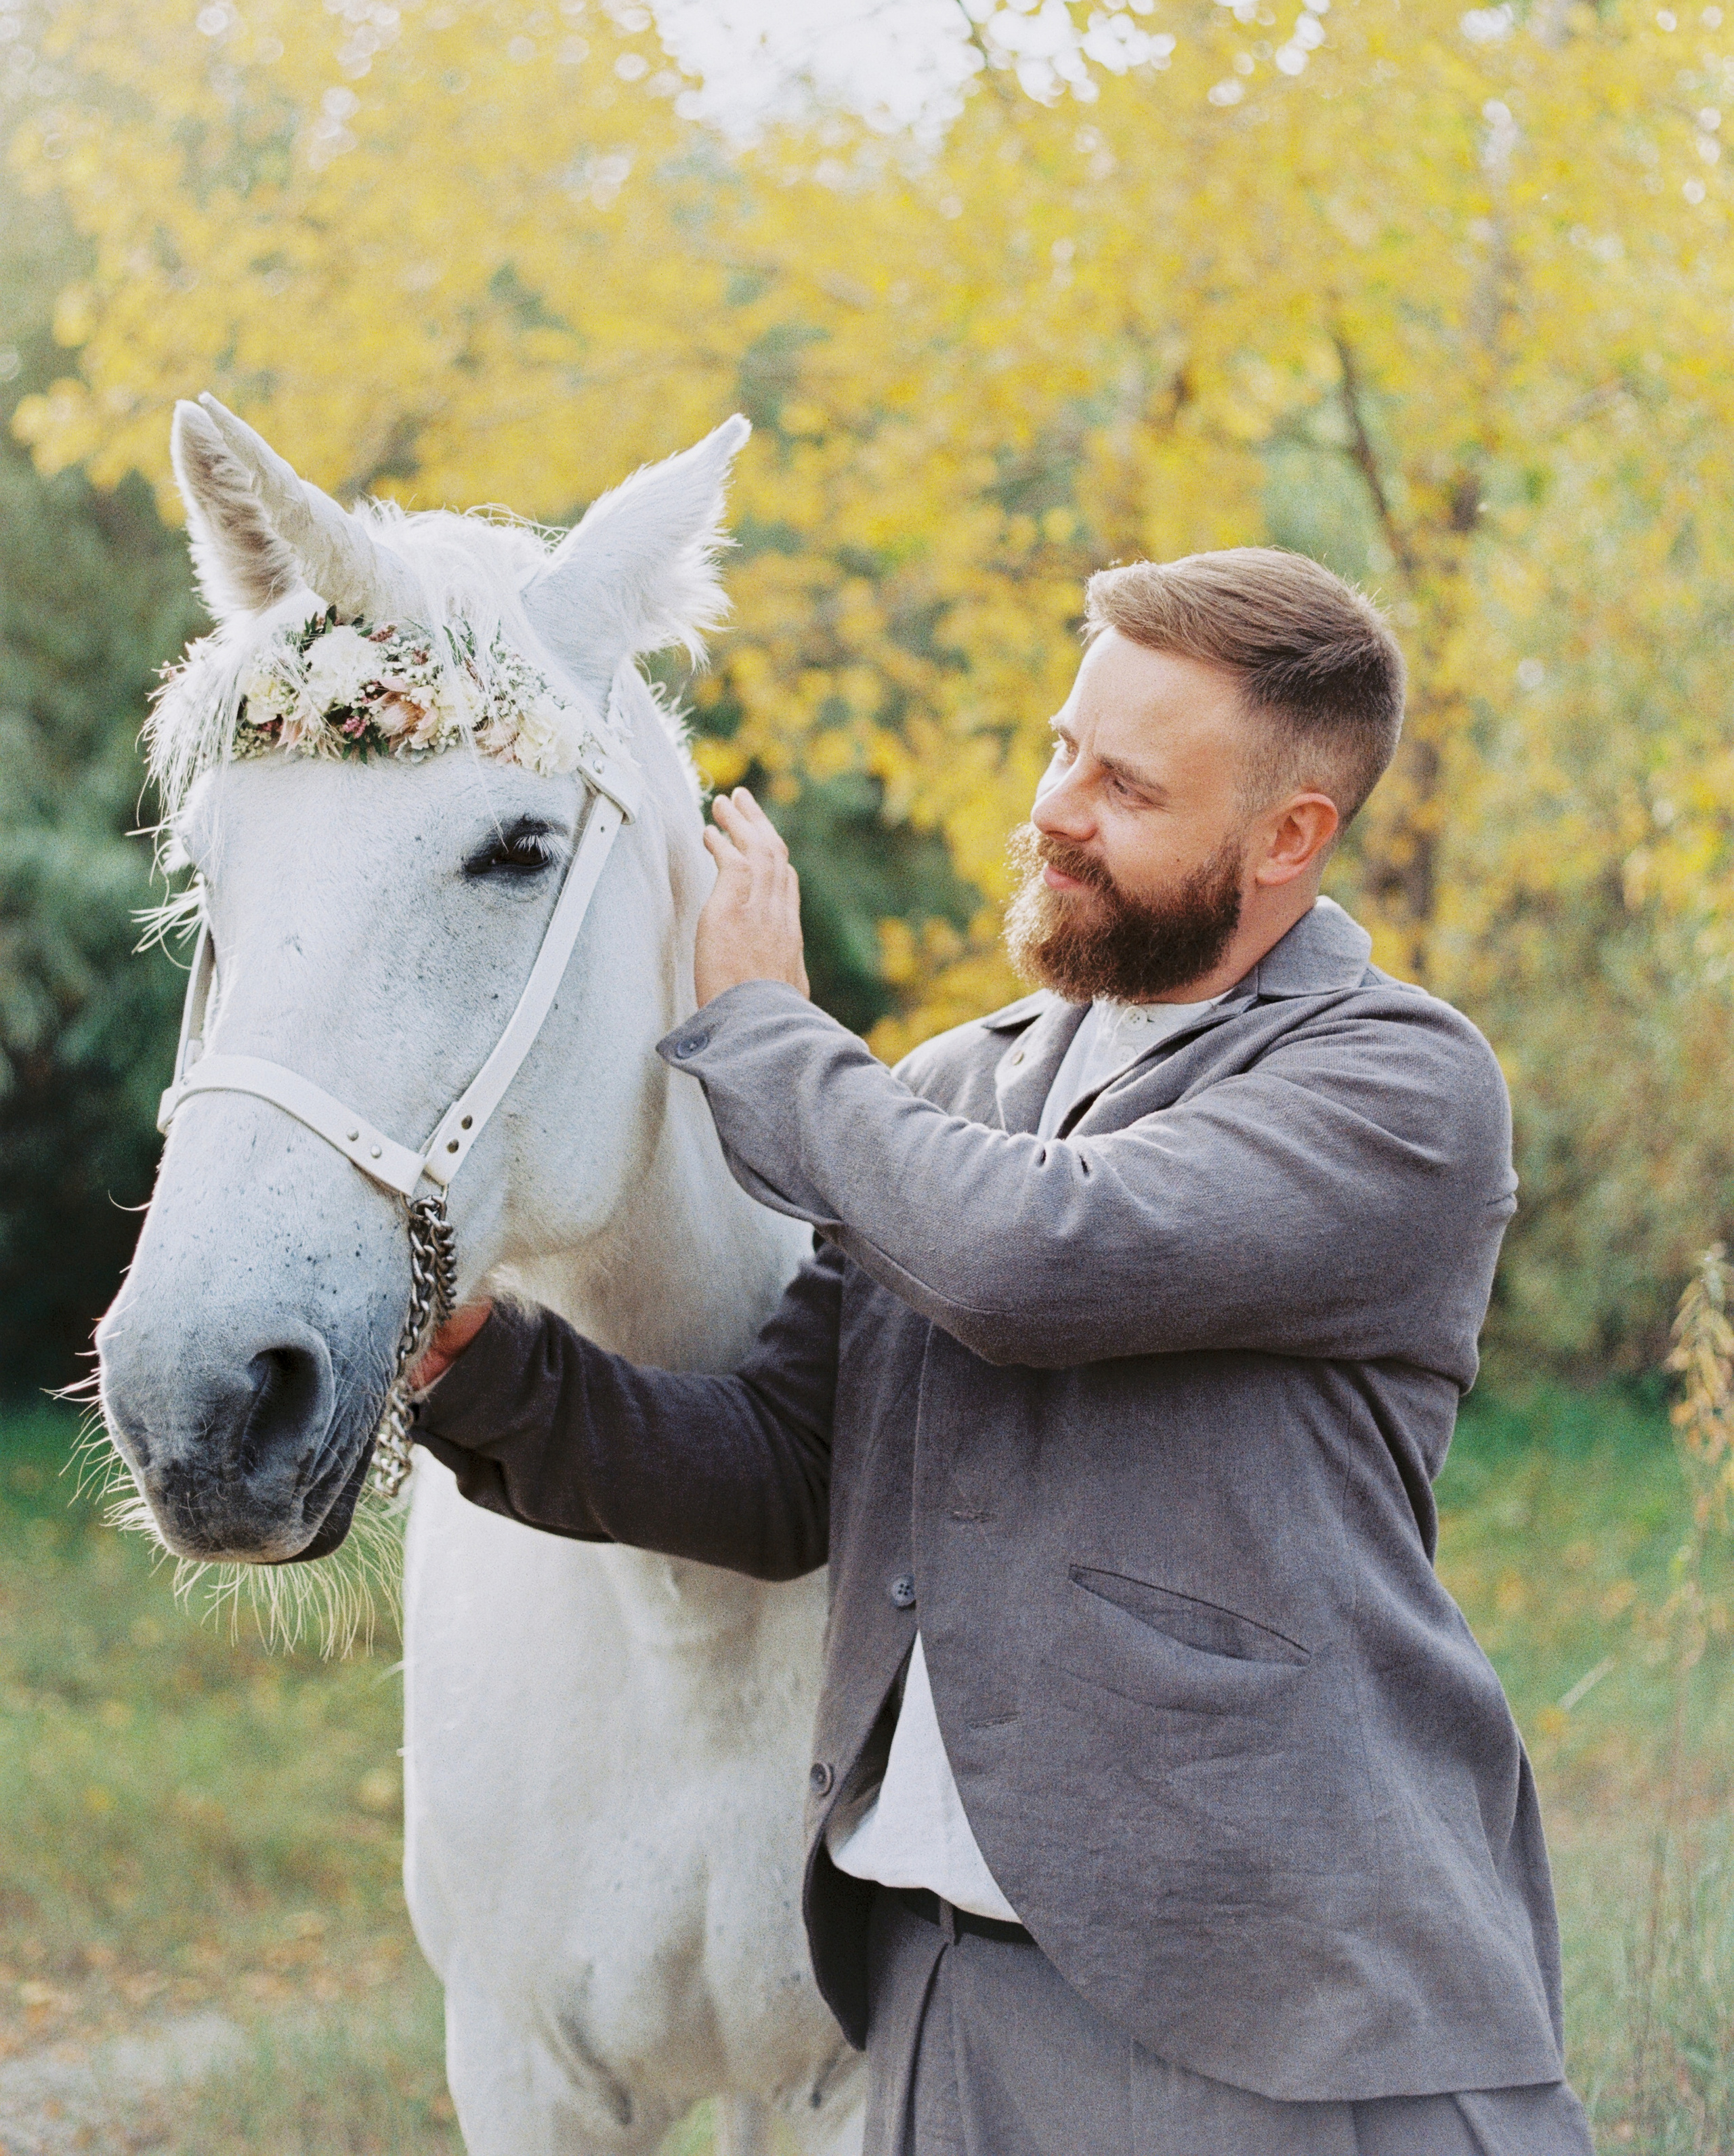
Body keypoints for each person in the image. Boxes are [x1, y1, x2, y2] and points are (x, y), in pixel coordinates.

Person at [409, 547, 1593, 2155]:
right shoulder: (952, 1089)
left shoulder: (1394, 1083)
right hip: (950, 2005)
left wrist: (768, 1032)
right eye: (1058, 746)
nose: (1053, 806)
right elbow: (777, 1471)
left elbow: (1034, 1256)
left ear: (1286, 837)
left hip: (1293, 2009)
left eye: (1124, 781)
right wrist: (478, 1367)